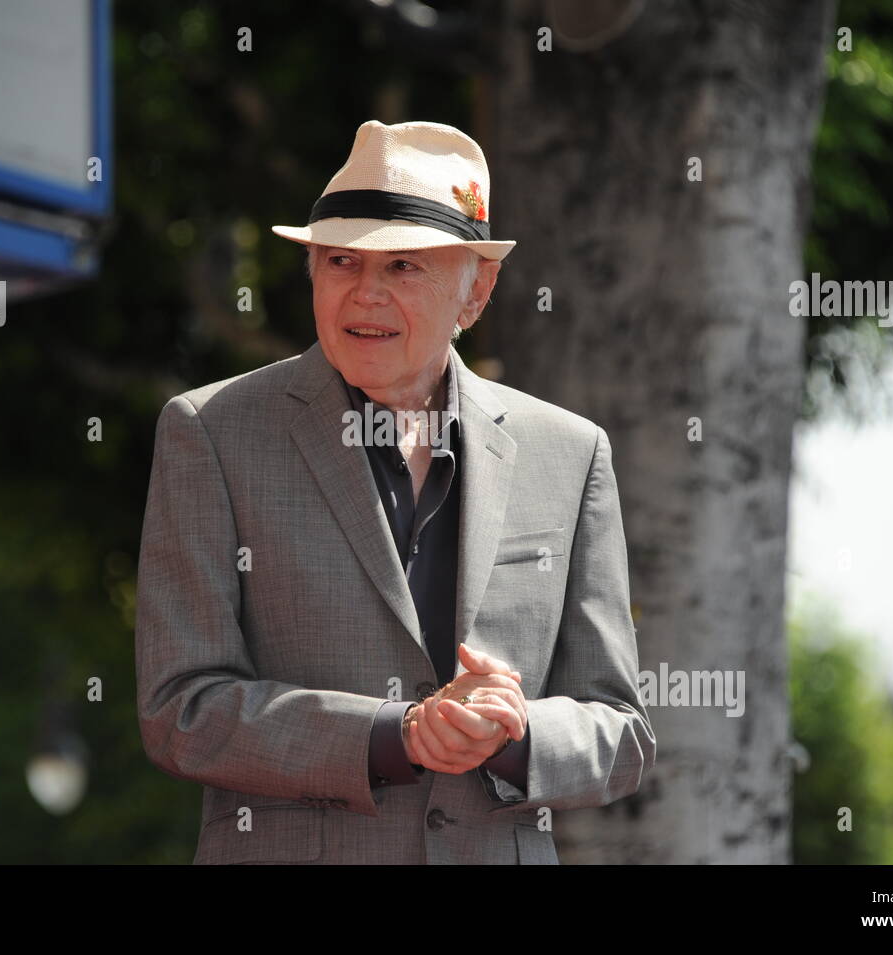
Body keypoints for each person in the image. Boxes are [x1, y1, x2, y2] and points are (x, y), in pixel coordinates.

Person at [134, 119, 654, 864]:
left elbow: (623, 732)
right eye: (342, 260)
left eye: (404, 267)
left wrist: (520, 730)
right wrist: (396, 733)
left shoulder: (571, 454)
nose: (365, 294)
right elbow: (179, 709)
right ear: (312, 270)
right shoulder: (210, 431)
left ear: (476, 291)